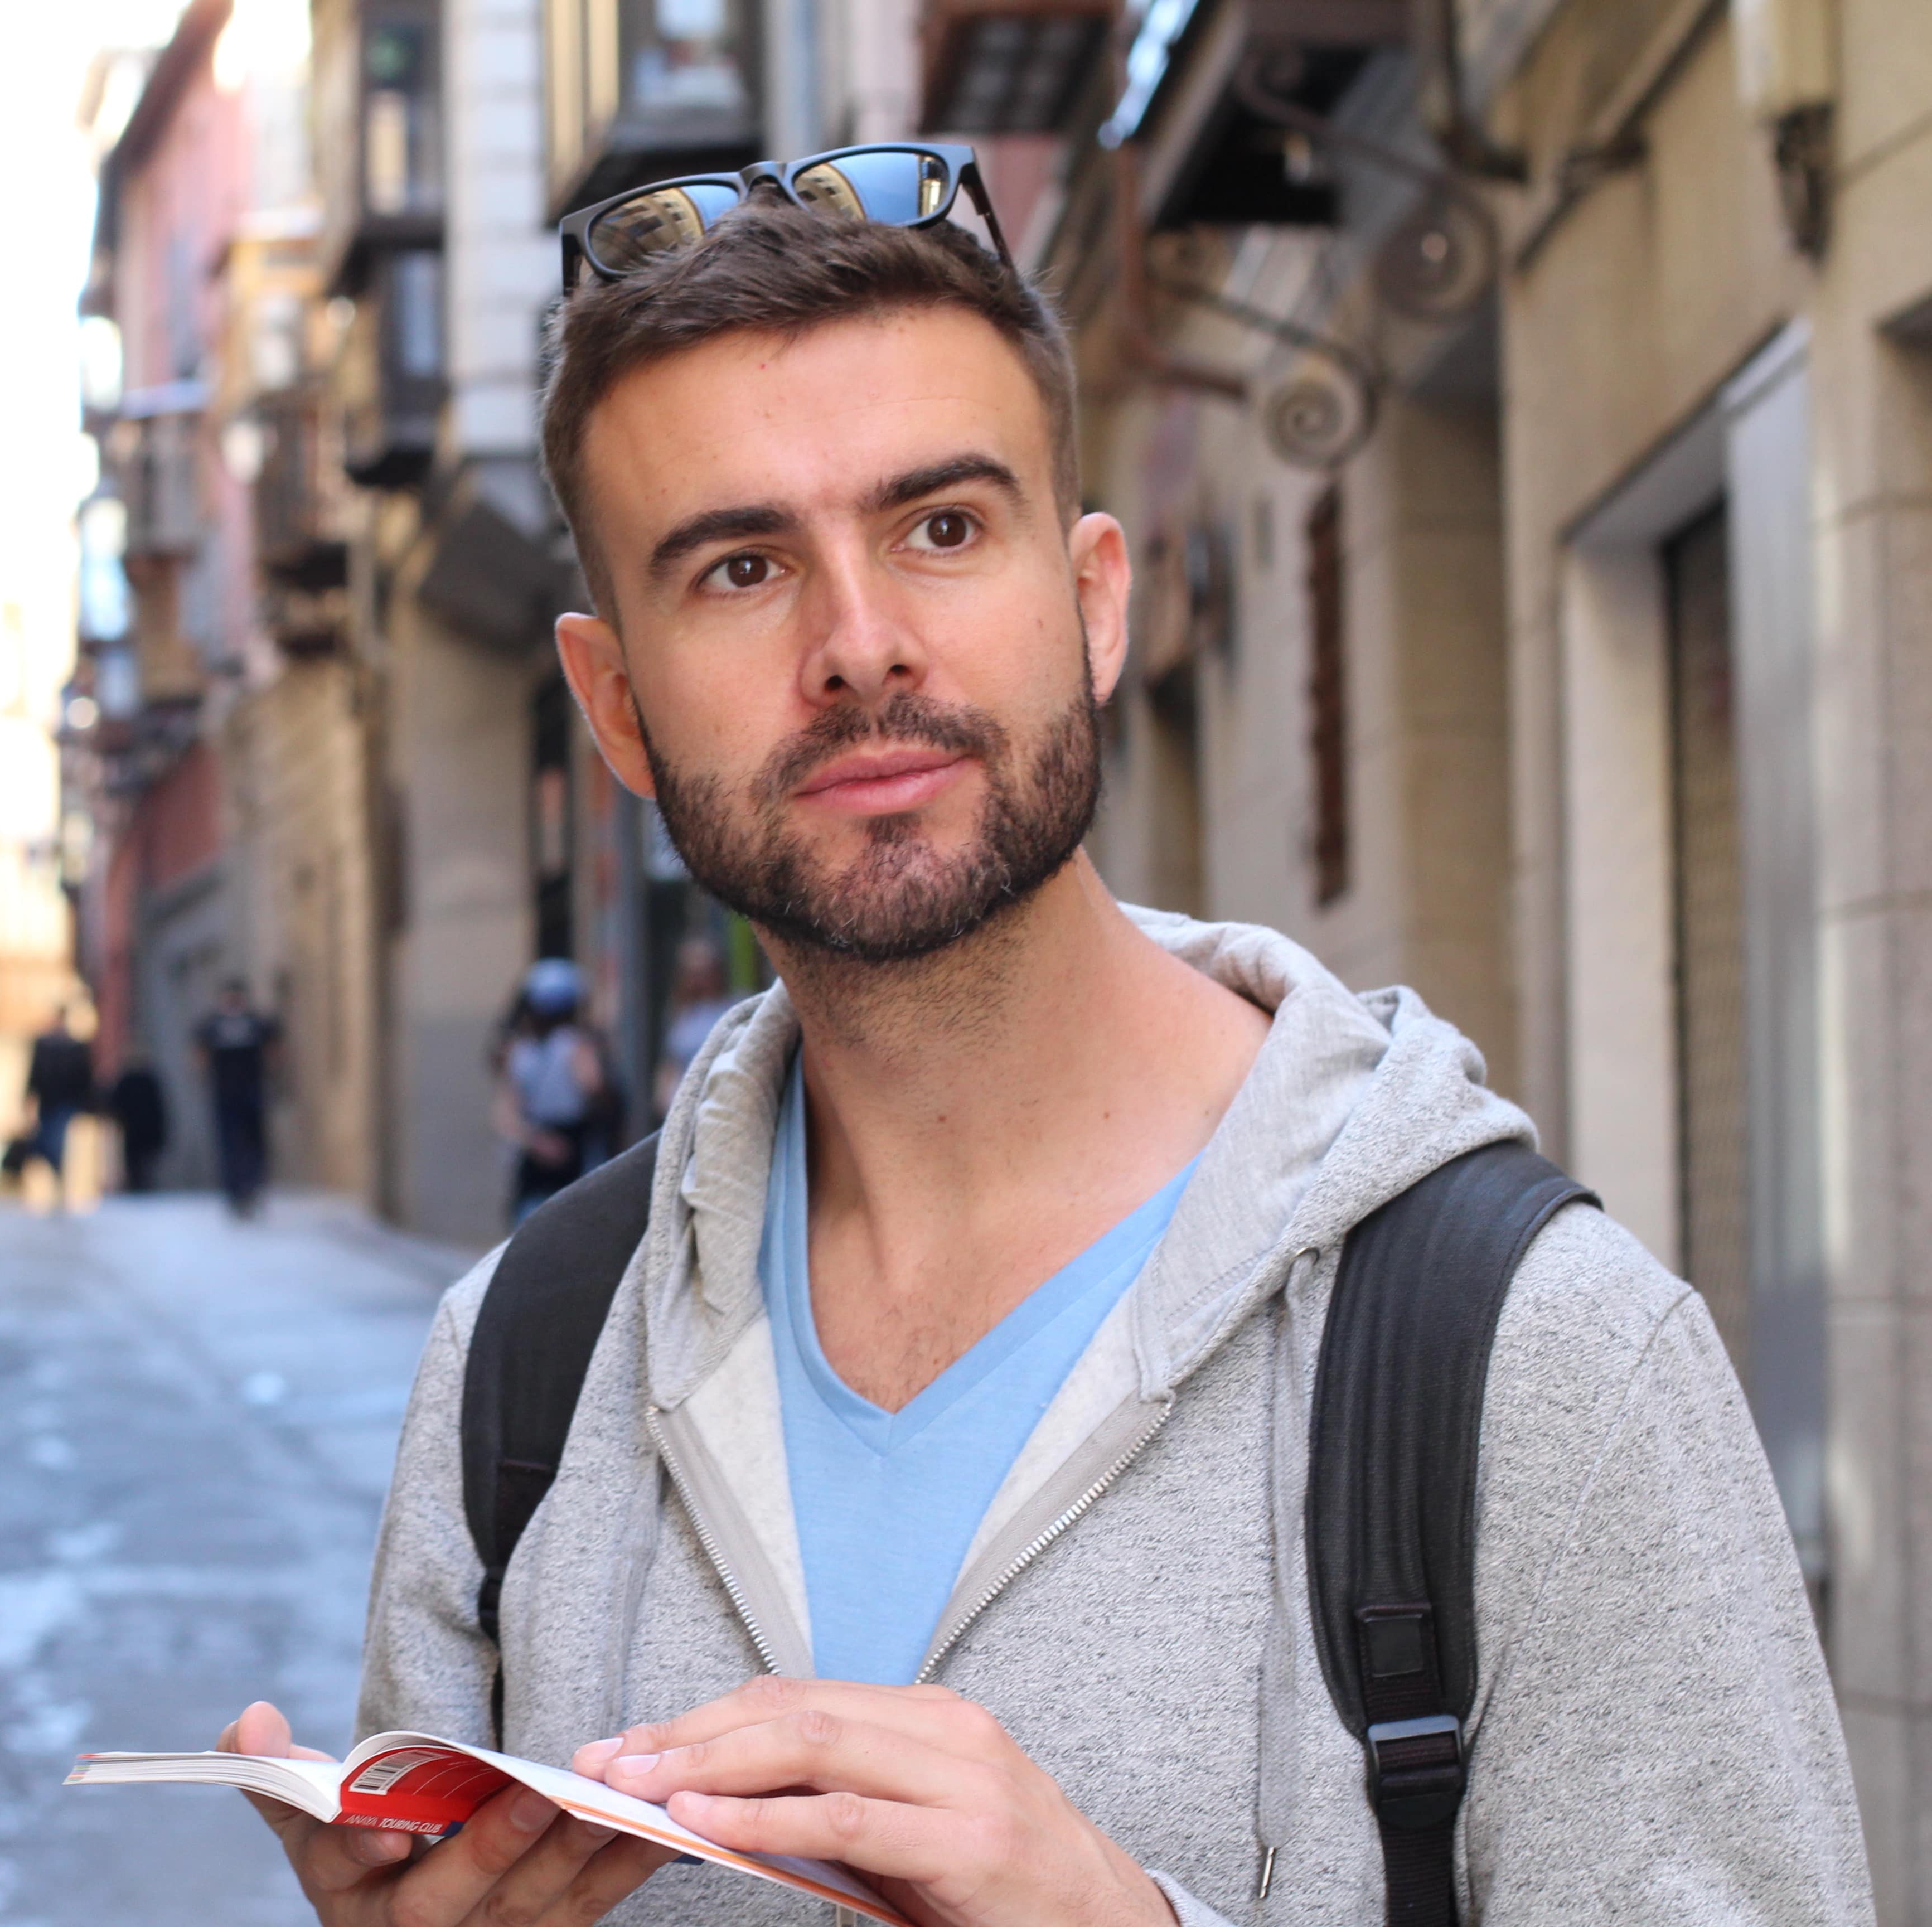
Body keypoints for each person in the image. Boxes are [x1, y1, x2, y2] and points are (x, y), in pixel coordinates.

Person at [217, 159, 1866, 1925]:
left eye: (941, 528)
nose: (858, 649)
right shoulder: (521, 1378)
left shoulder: (1538, 1359)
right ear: (615, 705)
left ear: (1091, 605)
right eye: (742, 567)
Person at [493, 958, 607, 1225]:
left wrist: (535, 1141)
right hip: (571, 1146)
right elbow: (594, 1087)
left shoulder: (518, 1050)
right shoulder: (576, 1046)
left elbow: (506, 1115)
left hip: (537, 1150)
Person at [195, 978, 278, 1218]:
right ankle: (235, 1192)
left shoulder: (256, 1023)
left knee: (253, 1142)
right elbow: (199, 1053)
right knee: (229, 1144)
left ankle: (253, 1187)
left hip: (252, 1091)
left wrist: (272, 1078)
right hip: (225, 1093)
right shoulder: (213, 1025)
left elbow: (273, 1049)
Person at [19, 1007, 96, 1210]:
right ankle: (56, 1179)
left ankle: (59, 1181)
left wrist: (87, 1103)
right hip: (48, 1102)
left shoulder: (75, 1047)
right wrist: (27, 1100)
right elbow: (34, 1074)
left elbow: (84, 1078)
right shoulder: (44, 1045)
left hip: (66, 1103)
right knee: (49, 1142)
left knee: (57, 1142)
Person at [650, 935, 733, 1114]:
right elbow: (671, 1060)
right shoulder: (680, 1012)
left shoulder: (733, 1007)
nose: (699, 980)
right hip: (685, 1106)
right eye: (693, 974)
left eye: (705, 973)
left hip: (721, 1100)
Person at [106, 1058, 170, 1195]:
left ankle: (143, 1189)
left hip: (142, 1131)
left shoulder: (148, 1080)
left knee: (144, 1166)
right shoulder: (128, 1080)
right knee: (136, 1167)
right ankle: (138, 1189)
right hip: (133, 1132)